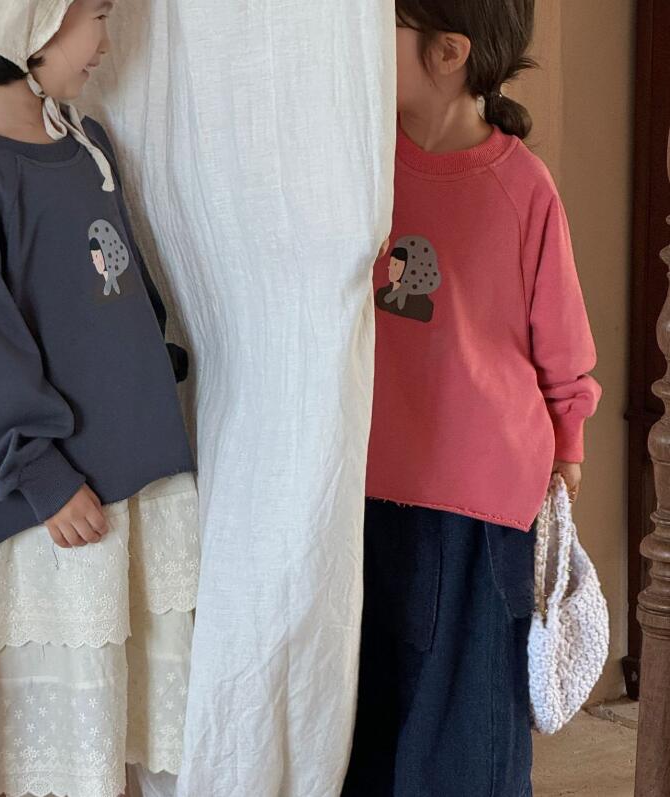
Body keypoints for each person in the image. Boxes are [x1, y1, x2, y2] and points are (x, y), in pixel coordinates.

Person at [0, 2, 198, 795]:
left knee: (138, 739)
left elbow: (121, 292)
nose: (106, 43)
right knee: (63, 760)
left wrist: (152, 371)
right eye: (97, 16)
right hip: (55, 509)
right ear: (30, 18)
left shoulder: (86, 142)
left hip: (131, 478)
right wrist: (38, 471)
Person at [342, 2, 601, 795]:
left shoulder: (523, 188)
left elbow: (564, 350)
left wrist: (568, 449)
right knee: (365, 724)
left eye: (384, 22)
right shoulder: (358, 163)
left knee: (470, 738)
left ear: (448, 52)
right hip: (366, 491)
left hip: (483, 513)